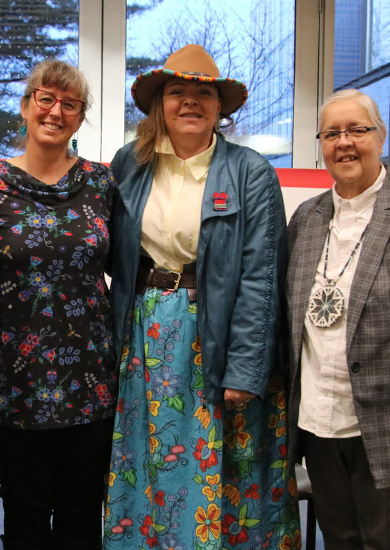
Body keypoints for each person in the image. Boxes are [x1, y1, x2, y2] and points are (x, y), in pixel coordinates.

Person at [103, 44, 300, 549]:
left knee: (223, 471)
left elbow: (262, 276)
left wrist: (245, 369)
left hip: (217, 338)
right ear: (160, 105)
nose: (190, 102)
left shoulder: (250, 171)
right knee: (150, 462)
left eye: (203, 93)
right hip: (146, 342)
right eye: (177, 92)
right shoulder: (130, 164)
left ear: (220, 108)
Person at [0, 60, 117, 550]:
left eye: (70, 104)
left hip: (90, 375)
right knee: (25, 512)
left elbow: (131, 265)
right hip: (13, 374)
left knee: (81, 511)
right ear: (26, 105)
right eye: (45, 99)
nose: (56, 111)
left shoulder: (103, 183)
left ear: (80, 116)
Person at [286, 89, 390, 549]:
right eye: (332, 133)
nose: (344, 142)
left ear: (380, 137)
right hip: (318, 424)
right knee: (340, 539)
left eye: (357, 130)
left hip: (381, 424)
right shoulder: (306, 220)